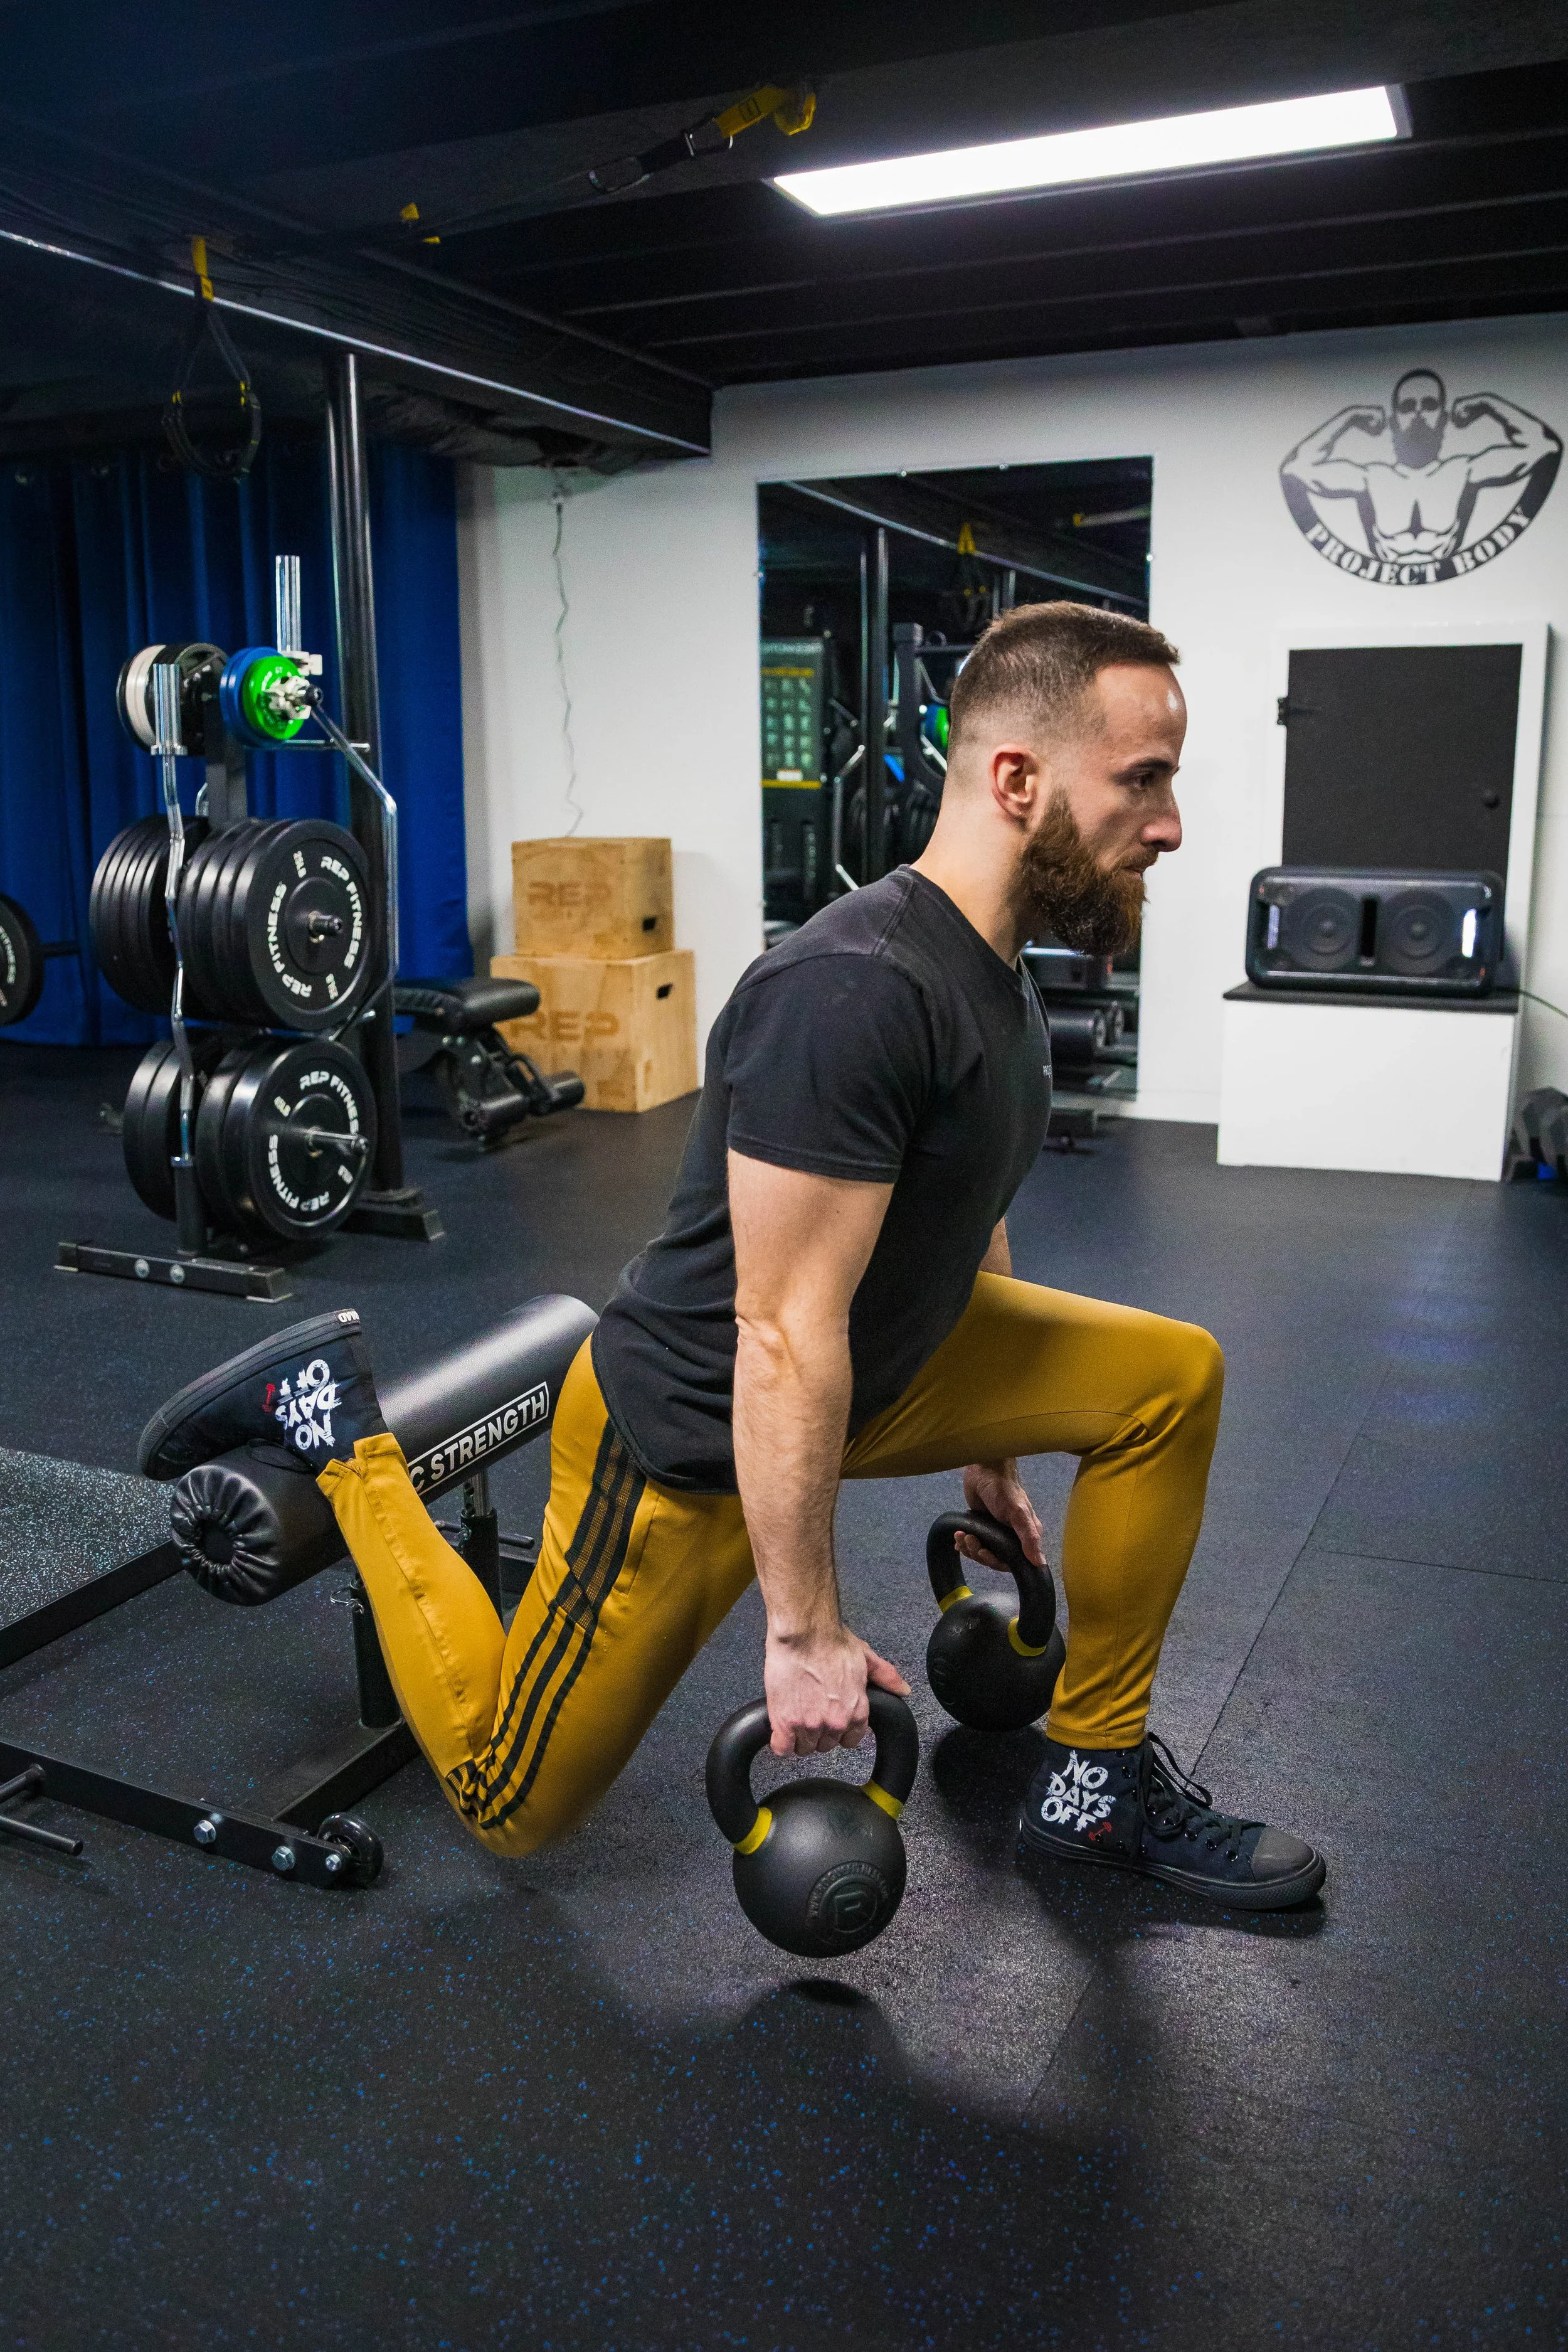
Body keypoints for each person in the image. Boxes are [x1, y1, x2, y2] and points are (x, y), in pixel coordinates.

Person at [140, 602, 1326, 1912]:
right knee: (507, 1800)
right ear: (1015, 780)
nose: (1169, 825)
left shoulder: (995, 969)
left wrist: (997, 1440)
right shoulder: (852, 989)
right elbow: (779, 1335)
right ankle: (343, 1435)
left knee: (1167, 1379)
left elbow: (965, 1197)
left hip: (876, 1367)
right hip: (700, 1434)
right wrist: (803, 1630)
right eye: (1142, 780)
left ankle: (1095, 1785)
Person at [1281, 368, 1561, 566]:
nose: (1417, 415)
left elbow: (1543, 447)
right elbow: (1297, 468)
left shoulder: (1461, 472)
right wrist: (1349, 417)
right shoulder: (1372, 477)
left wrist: (1488, 404)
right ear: (1393, 421)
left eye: (1429, 405)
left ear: (1444, 417)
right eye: (1407, 407)